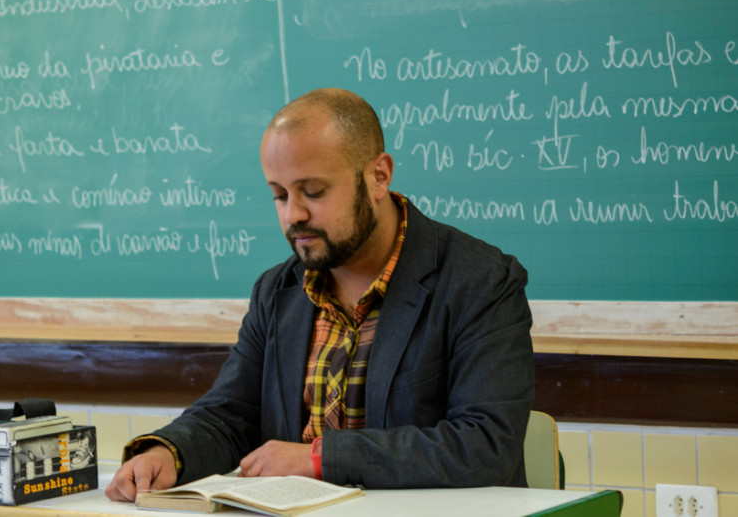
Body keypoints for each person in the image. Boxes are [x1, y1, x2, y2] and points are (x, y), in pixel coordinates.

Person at [105, 88, 534, 502]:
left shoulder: (481, 281)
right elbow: (230, 414)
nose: (294, 214)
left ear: (378, 176)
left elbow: (486, 443)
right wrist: (167, 452)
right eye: (279, 195)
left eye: (313, 192)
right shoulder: (277, 291)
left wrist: (319, 458)